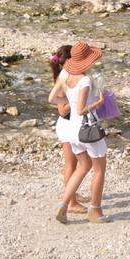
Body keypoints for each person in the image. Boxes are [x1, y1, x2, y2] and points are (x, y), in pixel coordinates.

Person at [49, 41, 109, 224]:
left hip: (72, 131)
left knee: (83, 166)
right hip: (87, 129)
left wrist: (70, 102)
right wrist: (98, 103)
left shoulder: (65, 75)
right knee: (99, 170)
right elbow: (83, 109)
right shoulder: (85, 80)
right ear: (87, 62)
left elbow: (52, 99)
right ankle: (95, 211)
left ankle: (64, 204)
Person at [48, 45, 80, 210]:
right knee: (71, 164)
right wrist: (79, 100)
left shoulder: (66, 76)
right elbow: (62, 109)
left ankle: (71, 191)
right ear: (69, 61)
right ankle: (72, 203)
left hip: (70, 123)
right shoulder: (64, 77)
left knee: (73, 164)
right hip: (66, 124)